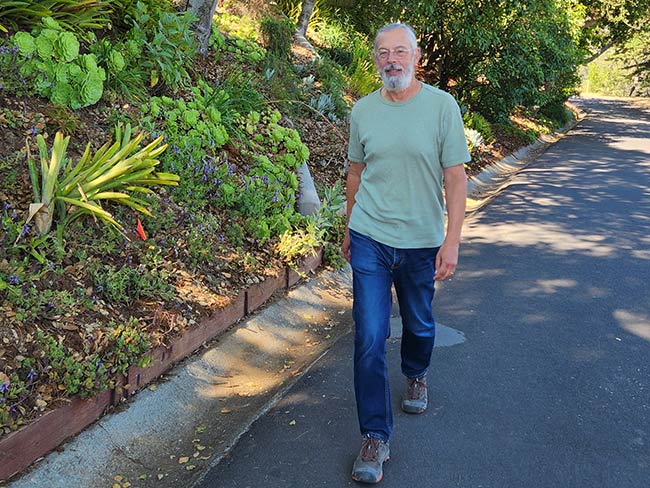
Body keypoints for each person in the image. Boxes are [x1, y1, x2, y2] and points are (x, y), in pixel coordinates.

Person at [342, 22, 470, 484]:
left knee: (419, 324)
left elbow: (455, 178)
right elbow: (356, 172)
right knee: (370, 335)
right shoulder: (363, 110)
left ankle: (416, 372)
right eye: (382, 52)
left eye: (400, 51)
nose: (391, 59)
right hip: (370, 236)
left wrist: (452, 239)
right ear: (375, 59)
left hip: (421, 241)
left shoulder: (441, 107)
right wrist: (349, 225)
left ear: (416, 57)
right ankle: (375, 435)